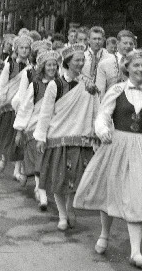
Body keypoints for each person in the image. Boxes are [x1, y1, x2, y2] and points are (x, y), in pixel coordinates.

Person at [73, 50, 142, 269]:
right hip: (117, 145)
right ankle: (104, 234)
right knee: (111, 191)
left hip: (141, 147)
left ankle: (135, 251)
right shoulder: (117, 90)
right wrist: (103, 131)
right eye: (136, 65)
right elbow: (103, 115)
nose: (140, 69)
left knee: (139, 194)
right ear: (127, 67)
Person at [35, 44, 98, 231]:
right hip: (58, 136)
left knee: (76, 179)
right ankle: (62, 215)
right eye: (77, 60)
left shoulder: (88, 83)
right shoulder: (55, 85)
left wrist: (96, 131)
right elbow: (46, 112)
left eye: (82, 60)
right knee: (59, 180)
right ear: (68, 63)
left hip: (80, 137)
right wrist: (41, 136)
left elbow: (95, 108)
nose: (81, 63)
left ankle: (70, 208)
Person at [14, 48, 60, 211]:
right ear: (42, 67)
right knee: (39, 163)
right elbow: (25, 108)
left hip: (53, 128)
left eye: (54, 65)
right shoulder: (35, 85)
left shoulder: (61, 85)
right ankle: (42, 194)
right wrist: (19, 130)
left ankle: (41, 190)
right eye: (49, 65)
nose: (52, 68)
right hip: (35, 127)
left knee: (48, 163)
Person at [0, 34, 32, 177]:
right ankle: (3, 158)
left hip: (22, 106)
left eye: (27, 48)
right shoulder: (10, 65)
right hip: (9, 106)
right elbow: (2, 83)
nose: (24, 50)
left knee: (18, 139)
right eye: (21, 48)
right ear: (16, 49)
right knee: (6, 136)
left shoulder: (31, 67)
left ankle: (17, 170)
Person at [95, 30, 136, 96]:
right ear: (117, 43)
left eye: (131, 44)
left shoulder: (139, 64)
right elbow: (100, 91)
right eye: (125, 43)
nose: (128, 46)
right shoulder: (104, 64)